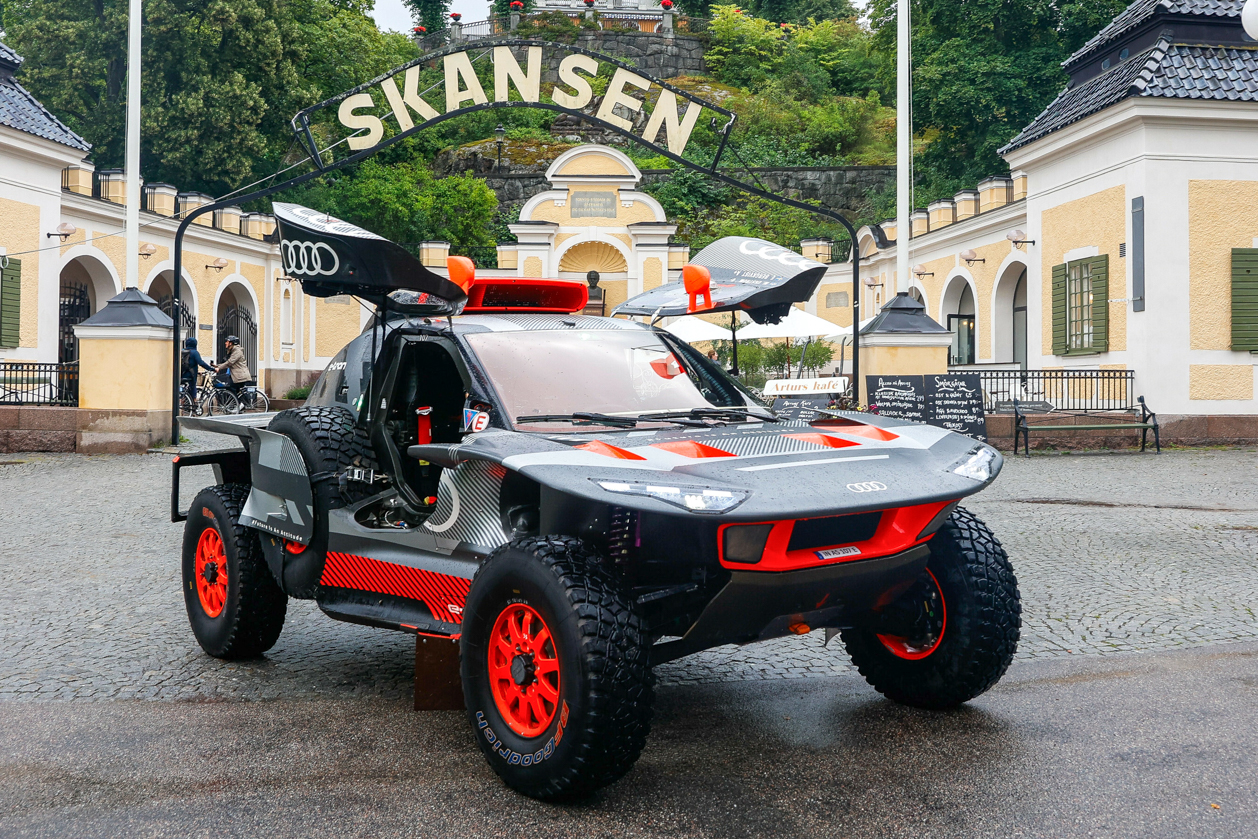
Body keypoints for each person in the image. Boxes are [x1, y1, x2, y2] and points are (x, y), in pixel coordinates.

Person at [216, 335, 252, 405]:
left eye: (227, 341)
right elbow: (228, 362)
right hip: (237, 376)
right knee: (234, 389)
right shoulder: (233, 351)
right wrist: (217, 366)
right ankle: (240, 404)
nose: (225, 343)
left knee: (230, 387)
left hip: (240, 376)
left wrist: (219, 368)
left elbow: (230, 362)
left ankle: (239, 404)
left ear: (231, 343)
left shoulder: (237, 351)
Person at [181, 336, 215, 404]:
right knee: (193, 388)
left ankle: (184, 405)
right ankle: (193, 403)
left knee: (187, 390)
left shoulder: (183, 351)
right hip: (191, 375)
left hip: (183, 374)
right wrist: (211, 369)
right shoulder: (194, 352)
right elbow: (201, 363)